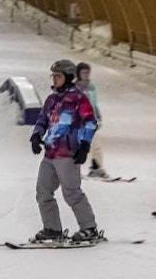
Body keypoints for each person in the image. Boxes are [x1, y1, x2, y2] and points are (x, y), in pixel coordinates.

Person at [29, 59, 102, 244]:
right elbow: (42, 120)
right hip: (50, 153)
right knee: (43, 192)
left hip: (68, 154)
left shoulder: (78, 98)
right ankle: (52, 229)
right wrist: (36, 136)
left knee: (72, 192)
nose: (54, 79)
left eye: (58, 76)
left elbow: (91, 123)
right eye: (52, 75)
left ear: (68, 77)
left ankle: (89, 228)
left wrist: (84, 145)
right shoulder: (52, 99)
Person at [76, 62, 108, 178]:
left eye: (88, 72)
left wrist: (98, 116)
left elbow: (94, 104)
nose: (86, 75)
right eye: (83, 72)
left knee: (96, 145)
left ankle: (97, 168)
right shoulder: (75, 88)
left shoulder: (91, 86)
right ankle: (72, 170)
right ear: (78, 73)